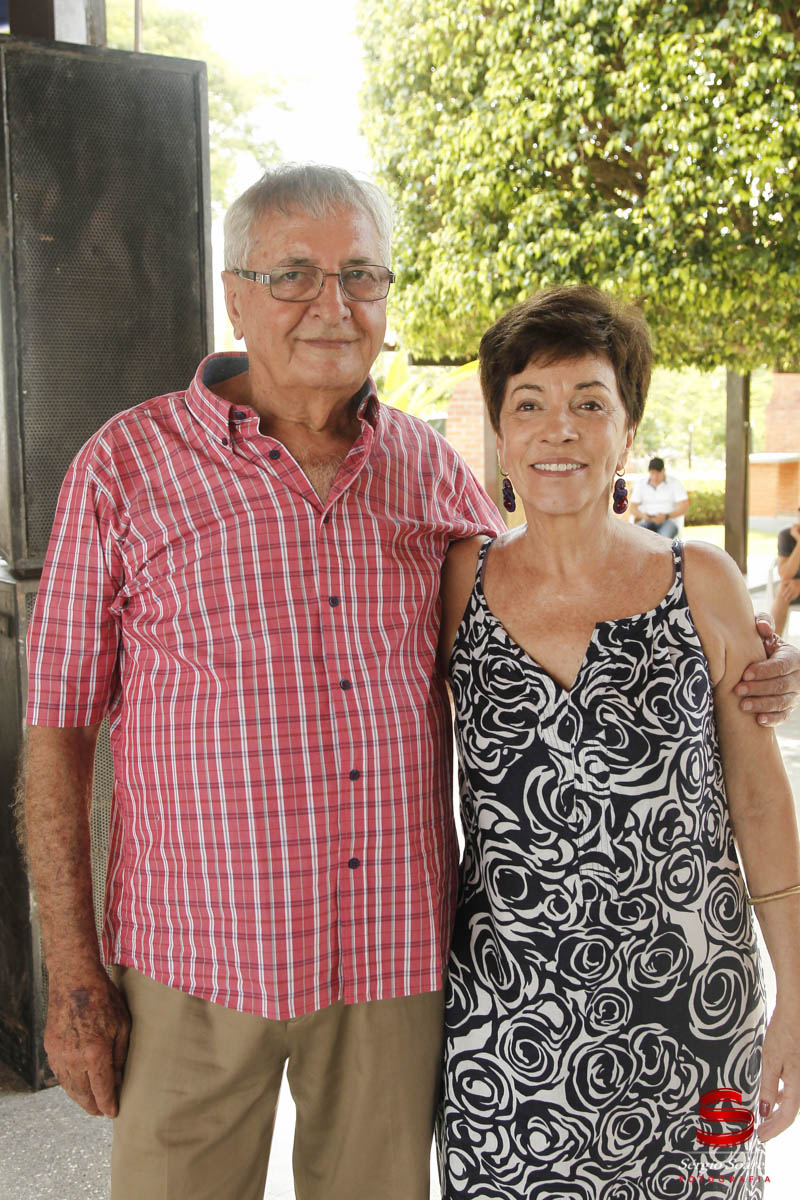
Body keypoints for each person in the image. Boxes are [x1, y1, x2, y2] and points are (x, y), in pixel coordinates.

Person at [19, 169, 800, 1200]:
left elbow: (573, 637)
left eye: (360, 276)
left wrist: (751, 665)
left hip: (454, 982)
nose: (329, 305)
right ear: (235, 294)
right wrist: (71, 970)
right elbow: (58, 729)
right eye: (293, 275)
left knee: (712, 1175)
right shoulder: (124, 465)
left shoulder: (432, 480)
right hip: (214, 968)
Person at [437, 286, 800, 1199]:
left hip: (706, 1023)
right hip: (506, 1033)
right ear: (501, 434)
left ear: (626, 432)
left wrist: (796, 991)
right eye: (531, 405)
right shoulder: (454, 586)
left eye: (589, 404)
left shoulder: (702, 581)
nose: (559, 430)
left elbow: (759, 802)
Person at [629, 454, 689, 536]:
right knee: (635, 535)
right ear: (649, 472)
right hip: (647, 521)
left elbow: (684, 507)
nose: (655, 477)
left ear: (663, 470)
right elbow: (632, 507)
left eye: (658, 473)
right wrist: (642, 515)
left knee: (664, 538)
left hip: (668, 521)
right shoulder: (641, 484)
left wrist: (666, 516)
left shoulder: (675, 483)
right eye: (652, 473)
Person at [771, 509, 800, 635]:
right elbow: (785, 574)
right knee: (783, 588)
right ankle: (772, 645)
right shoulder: (787, 536)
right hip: (793, 589)